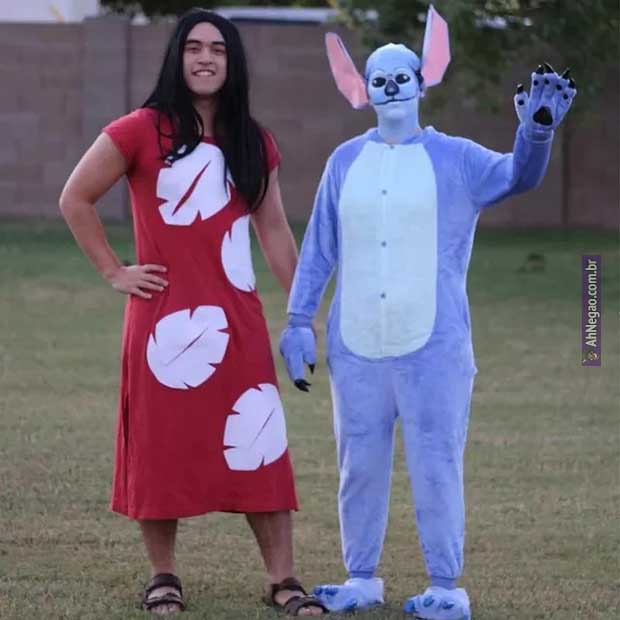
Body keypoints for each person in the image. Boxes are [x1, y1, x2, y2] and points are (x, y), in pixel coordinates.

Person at [279, 7, 575, 620]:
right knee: (358, 468)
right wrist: (299, 320)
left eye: (401, 76)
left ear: (424, 78)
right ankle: (361, 577)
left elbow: (516, 176)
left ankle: (445, 585)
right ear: (360, 88)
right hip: (357, 349)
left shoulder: (456, 157)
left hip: (433, 350)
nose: (391, 88)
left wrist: (536, 134)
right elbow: (320, 248)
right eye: (379, 79)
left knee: (437, 466)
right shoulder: (343, 163)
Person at [59, 8, 326, 617]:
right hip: (162, 325)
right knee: (161, 449)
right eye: (194, 47)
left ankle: (283, 580)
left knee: (261, 443)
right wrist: (114, 271)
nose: (206, 58)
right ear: (177, 58)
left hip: (239, 322)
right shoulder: (138, 130)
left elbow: (274, 229)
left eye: (218, 49)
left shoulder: (252, 140)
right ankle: (163, 576)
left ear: (233, 63)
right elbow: (75, 197)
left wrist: (305, 309)